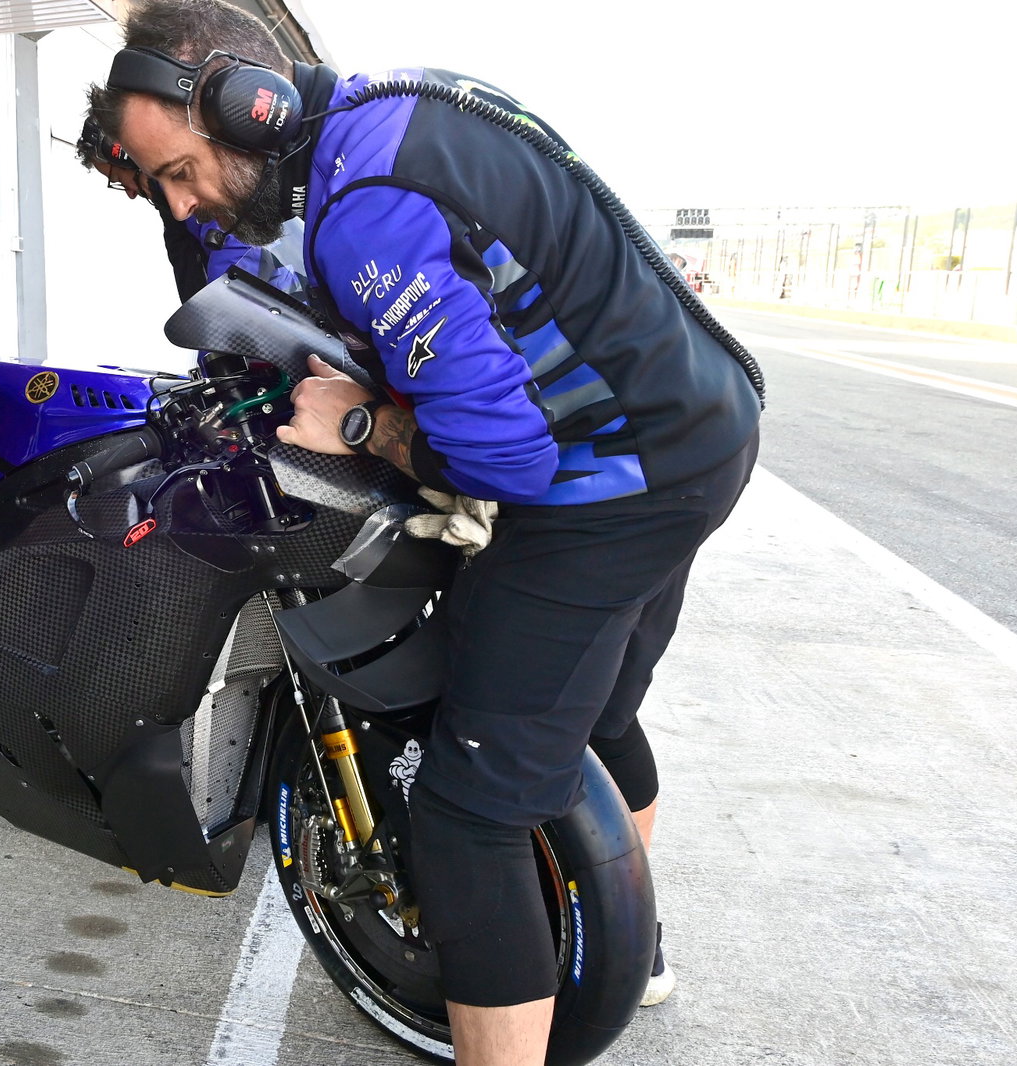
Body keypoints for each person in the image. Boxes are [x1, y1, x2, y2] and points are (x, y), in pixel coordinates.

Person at [94, 2, 763, 1063]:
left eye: (179, 172)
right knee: (590, 709)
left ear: (244, 103)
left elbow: (504, 459)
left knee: (466, 815)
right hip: (703, 433)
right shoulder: (398, 107)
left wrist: (359, 422)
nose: (185, 204)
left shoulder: (364, 207)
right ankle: (634, 954)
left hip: (613, 485)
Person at [76, 111, 304, 301]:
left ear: (131, 157)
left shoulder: (190, 184)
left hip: (282, 301)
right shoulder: (169, 206)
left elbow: (236, 248)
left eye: (119, 179)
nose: (130, 194)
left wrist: (218, 332)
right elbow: (186, 266)